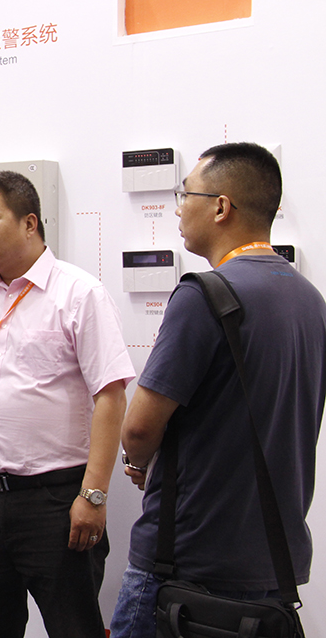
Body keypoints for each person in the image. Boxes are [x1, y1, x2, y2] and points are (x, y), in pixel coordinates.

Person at [109, 143, 326, 637]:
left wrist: (137, 462)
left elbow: (138, 428)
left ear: (221, 207)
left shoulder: (203, 295)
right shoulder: (311, 301)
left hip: (186, 564)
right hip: (273, 565)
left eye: (186, 195)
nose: (178, 209)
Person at [0, 170, 134, 638]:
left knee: (73, 627)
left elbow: (111, 396)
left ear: (30, 223)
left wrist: (93, 495)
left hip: (56, 501)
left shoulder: (78, 294)